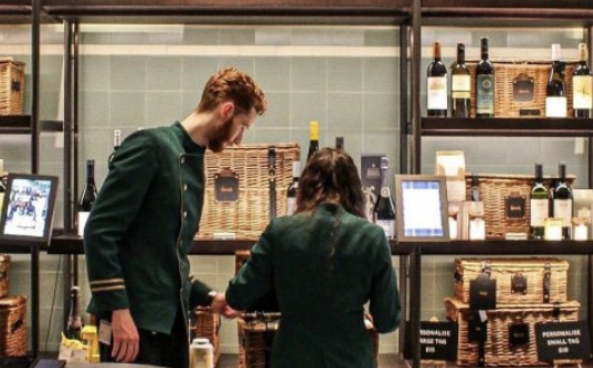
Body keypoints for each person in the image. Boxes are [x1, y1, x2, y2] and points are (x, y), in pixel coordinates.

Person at [83, 67, 267, 368]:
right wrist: (117, 310)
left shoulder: (192, 158)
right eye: (242, 127)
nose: (238, 140)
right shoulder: (151, 147)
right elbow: (99, 231)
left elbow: (163, 259)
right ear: (226, 110)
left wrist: (210, 297)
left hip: (168, 327)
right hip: (132, 326)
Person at [222, 147, 401, 368]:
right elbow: (387, 320)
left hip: (292, 359)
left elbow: (237, 296)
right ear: (355, 191)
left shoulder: (280, 231)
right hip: (351, 359)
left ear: (305, 187)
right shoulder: (372, 237)